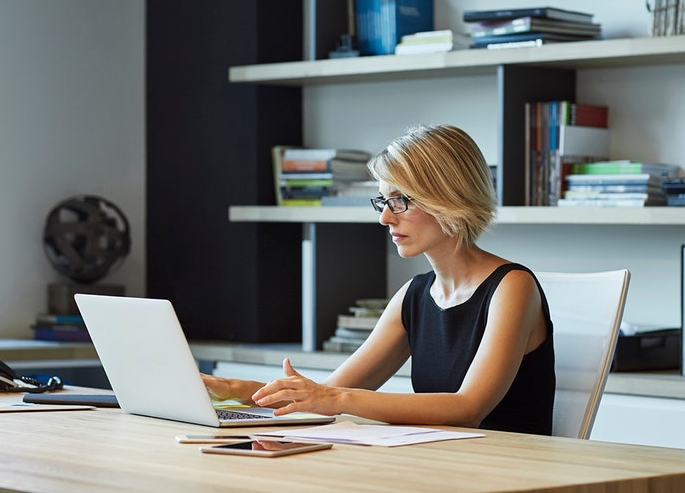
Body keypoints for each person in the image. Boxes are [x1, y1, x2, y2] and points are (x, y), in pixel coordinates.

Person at [202, 124, 555, 434]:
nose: (385, 218)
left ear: (448, 197)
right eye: (383, 201)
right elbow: (327, 392)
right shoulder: (415, 295)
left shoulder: (512, 287)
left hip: (510, 474)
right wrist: (232, 387)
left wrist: (335, 397)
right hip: (445, 469)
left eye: (400, 201)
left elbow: (467, 410)